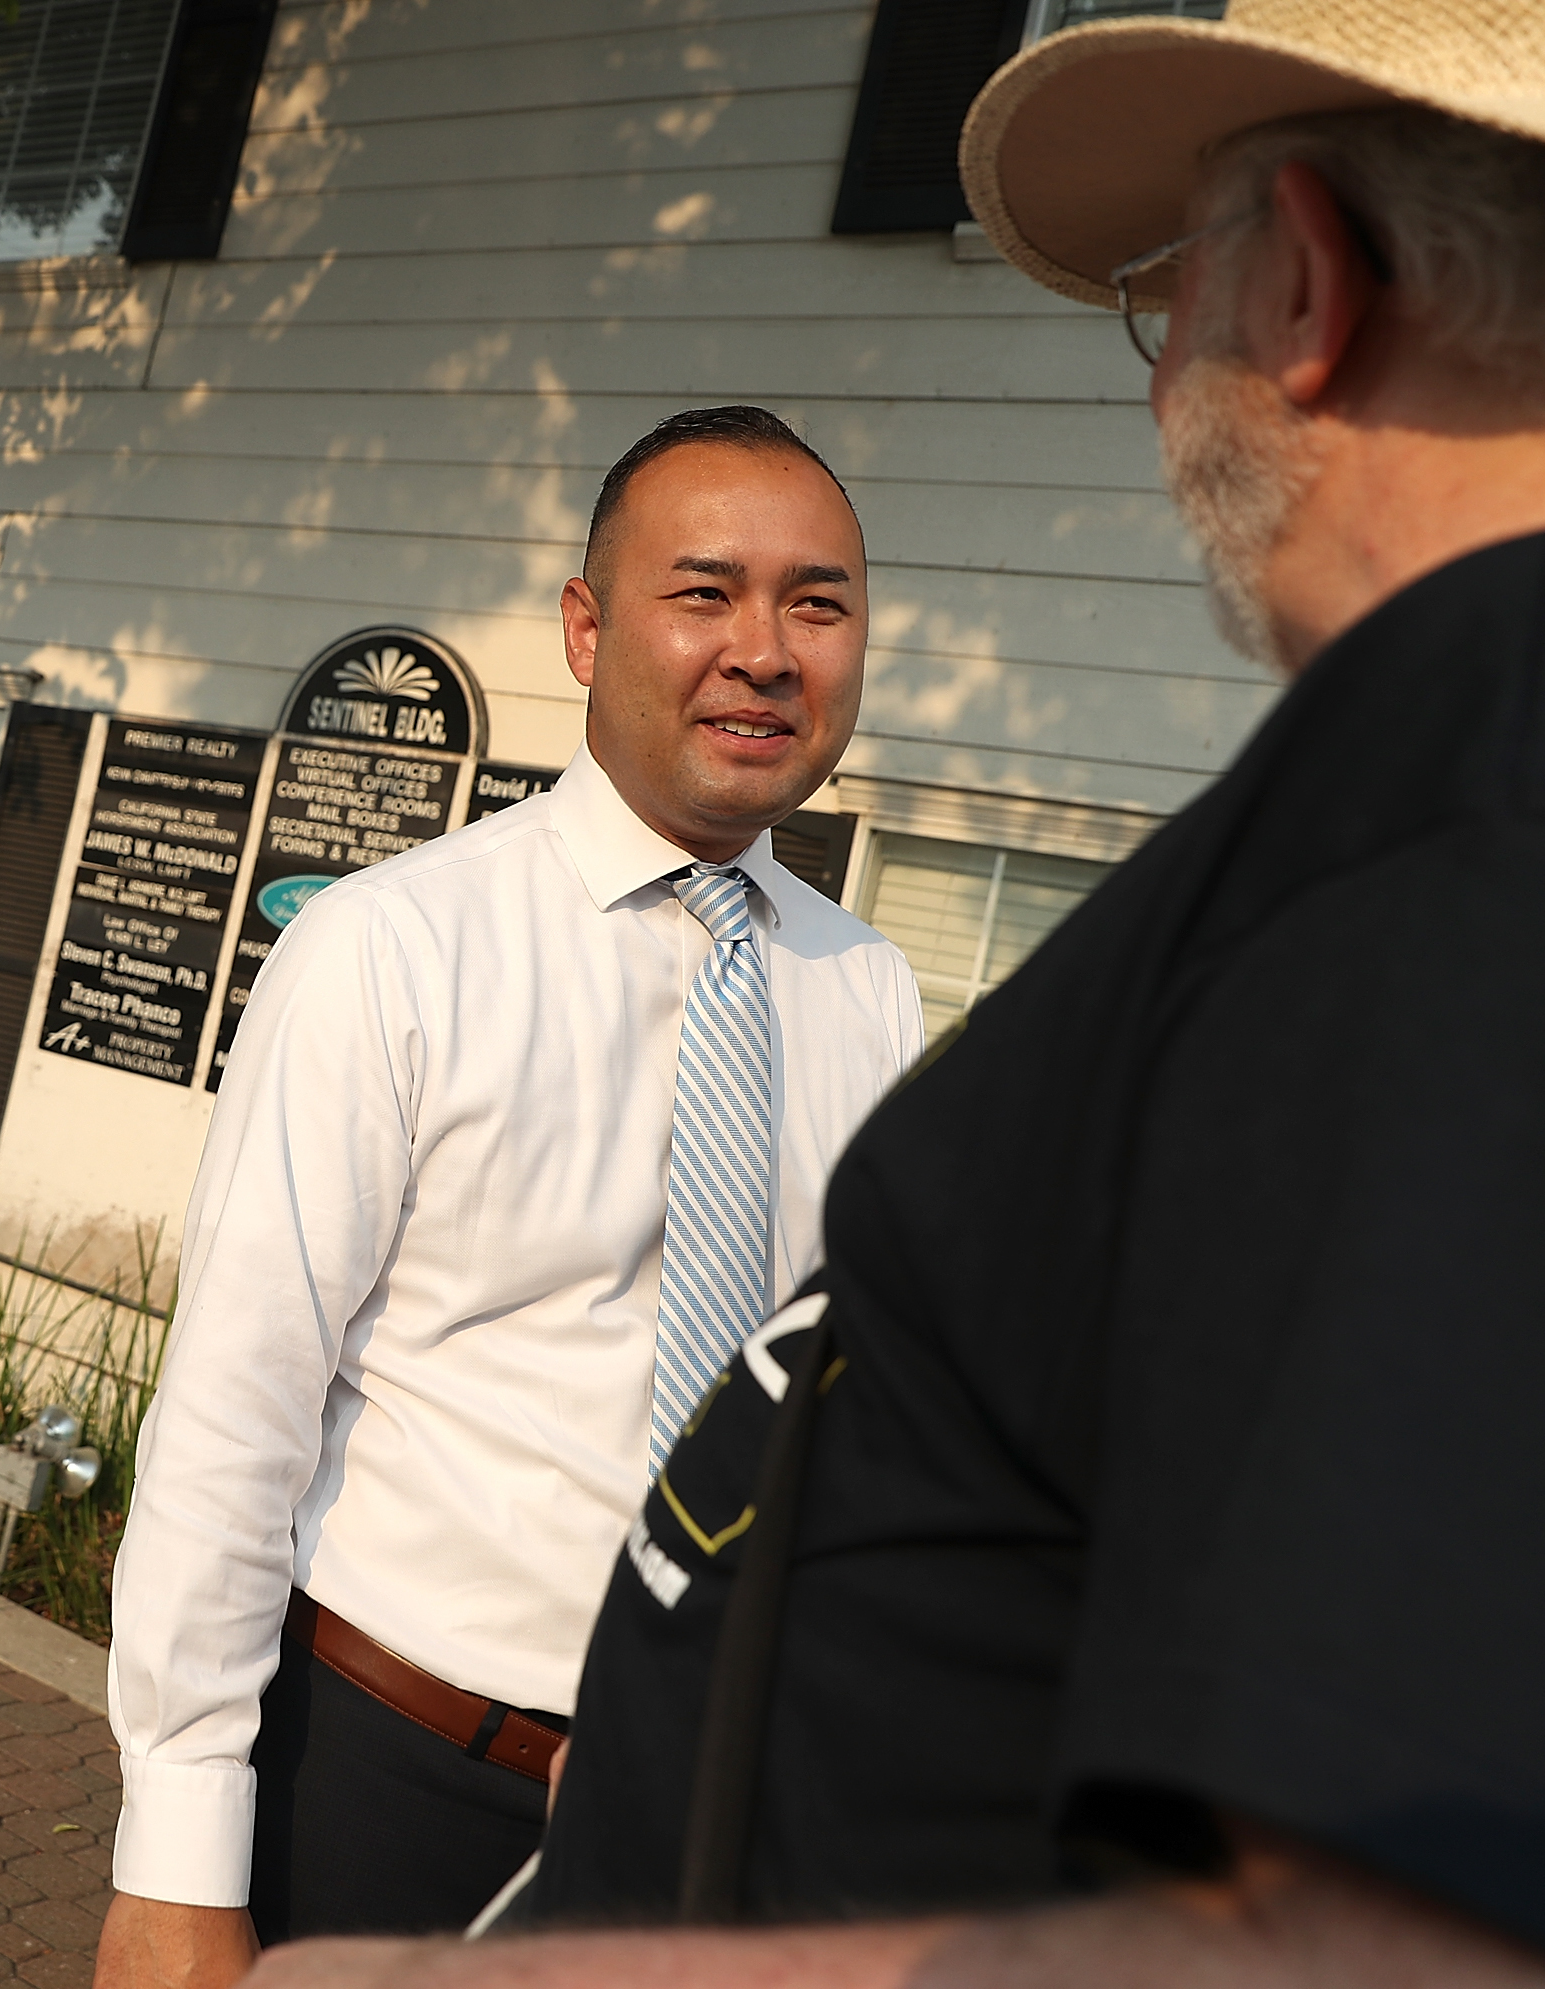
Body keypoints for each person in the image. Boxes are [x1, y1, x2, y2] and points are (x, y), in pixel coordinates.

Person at [248, 3, 1545, 1987]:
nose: (1159, 368)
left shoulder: (1520, 777)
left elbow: (1429, 1923)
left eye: (1159, 286)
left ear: (1300, 273)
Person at [99, 408, 926, 1987]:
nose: (765, 650)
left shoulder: (863, 987)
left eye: (816, 604)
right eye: (705, 593)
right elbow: (235, 1411)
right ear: (586, 624)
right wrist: (177, 1858)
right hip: (393, 1787)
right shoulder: (391, 949)